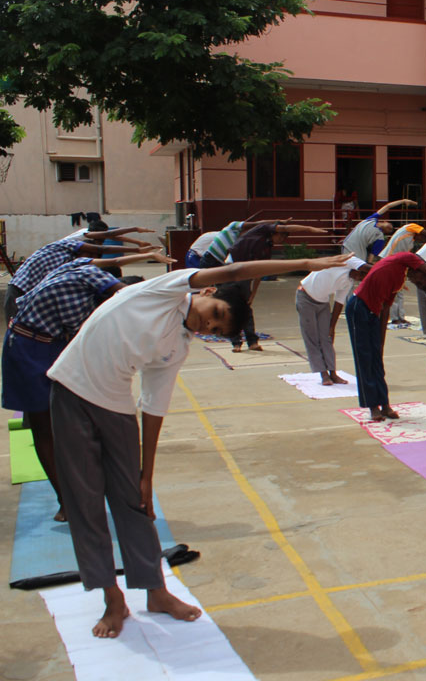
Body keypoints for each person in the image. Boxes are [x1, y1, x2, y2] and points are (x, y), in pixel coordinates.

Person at [46, 251, 350, 639]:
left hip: (115, 409)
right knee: (84, 503)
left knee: (135, 505)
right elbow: (238, 269)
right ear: (208, 291)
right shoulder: (164, 291)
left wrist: (147, 475)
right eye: (217, 313)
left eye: (218, 330)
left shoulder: (178, 346)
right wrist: (305, 264)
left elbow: (154, 405)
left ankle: (155, 592)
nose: (210, 323)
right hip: (70, 390)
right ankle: (111, 598)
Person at [2, 250, 172, 521]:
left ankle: (78, 494)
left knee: (68, 424)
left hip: (51, 343)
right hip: (26, 347)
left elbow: (110, 264)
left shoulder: (88, 274)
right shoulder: (88, 301)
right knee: (44, 428)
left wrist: (146, 253)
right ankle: (66, 501)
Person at [345, 252, 426, 422]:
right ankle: (372, 406)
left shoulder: (399, 281)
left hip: (373, 313)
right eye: (419, 280)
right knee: (364, 358)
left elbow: (385, 309)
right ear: (421, 269)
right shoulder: (406, 258)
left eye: (418, 284)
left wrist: (381, 341)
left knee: (376, 359)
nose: (415, 281)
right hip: (358, 306)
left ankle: (385, 404)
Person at [223, 220, 327, 352]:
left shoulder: (267, 249)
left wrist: (253, 293)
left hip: (245, 273)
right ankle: (236, 342)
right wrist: (309, 229)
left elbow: (259, 272)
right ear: (274, 231)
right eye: (282, 235)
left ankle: (252, 341)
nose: (282, 239)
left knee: (245, 307)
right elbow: (288, 227)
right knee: (231, 307)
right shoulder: (261, 230)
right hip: (230, 268)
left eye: (285, 237)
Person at [5, 236, 154, 321]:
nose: (91, 260)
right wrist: (139, 250)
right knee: (17, 331)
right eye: (91, 255)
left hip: (28, 297)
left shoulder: (72, 265)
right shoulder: (68, 244)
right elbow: (112, 255)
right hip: (19, 291)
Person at [295, 255, 370, 385]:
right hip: (305, 297)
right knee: (312, 337)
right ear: (357, 268)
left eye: (362, 279)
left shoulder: (348, 283)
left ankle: (333, 373)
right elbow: (364, 266)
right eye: (361, 274)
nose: (360, 278)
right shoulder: (344, 262)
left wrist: (332, 326)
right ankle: (323, 374)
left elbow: (339, 303)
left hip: (322, 302)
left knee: (326, 338)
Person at [341, 199, 416, 263]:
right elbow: (388, 206)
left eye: (390, 230)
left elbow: (372, 255)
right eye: (390, 225)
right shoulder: (371, 219)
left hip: (359, 253)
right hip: (347, 244)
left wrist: (370, 264)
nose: (391, 228)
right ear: (384, 221)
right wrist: (403, 201)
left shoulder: (380, 238)